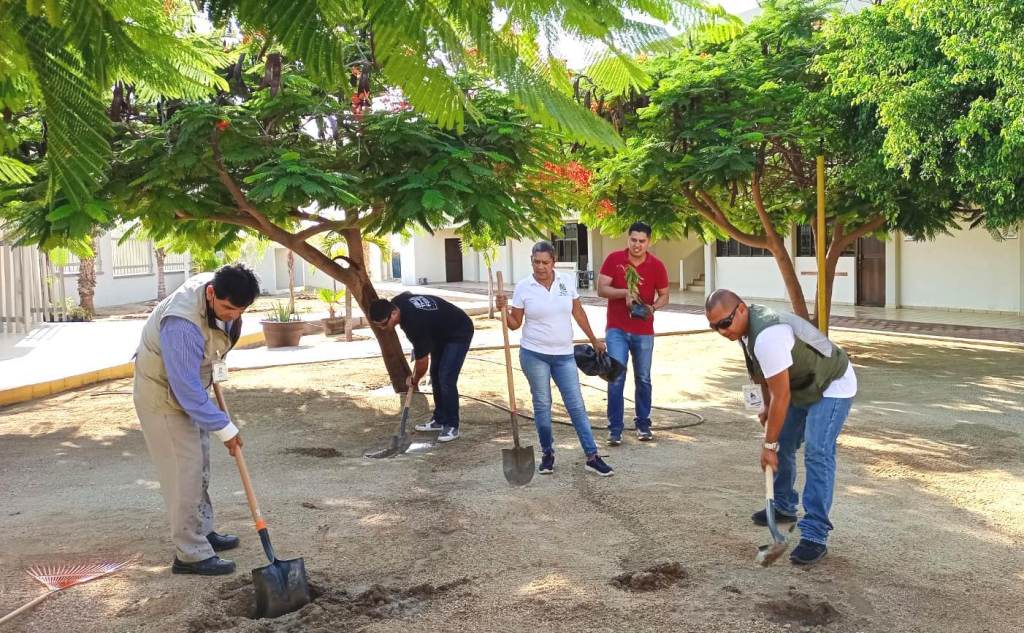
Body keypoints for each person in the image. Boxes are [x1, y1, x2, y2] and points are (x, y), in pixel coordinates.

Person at [705, 289, 857, 566]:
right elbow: (764, 375)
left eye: (724, 323)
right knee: (785, 442)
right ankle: (784, 507)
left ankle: (815, 534)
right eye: (714, 327)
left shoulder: (767, 337)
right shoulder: (746, 329)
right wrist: (766, 408)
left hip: (832, 383)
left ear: (740, 310)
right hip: (801, 385)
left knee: (817, 451)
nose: (721, 331)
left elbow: (782, 396)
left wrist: (768, 445)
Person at [133, 263, 261, 576]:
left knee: (199, 465)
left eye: (239, 310)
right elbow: (184, 390)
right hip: (163, 395)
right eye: (228, 308)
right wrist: (226, 429)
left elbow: (210, 353)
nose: (232, 315)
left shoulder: (223, 293)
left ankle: (202, 530)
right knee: (183, 473)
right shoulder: (183, 323)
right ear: (211, 293)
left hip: (193, 386)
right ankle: (189, 553)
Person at [495, 241, 615, 477]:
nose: (540, 267)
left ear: (554, 262)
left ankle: (592, 456)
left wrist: (593, 338)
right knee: (542, 405)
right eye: (536, 262)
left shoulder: (565, 281)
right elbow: (515, 324)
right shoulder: (523, 287)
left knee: (576, 405)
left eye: (545, 262)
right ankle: (547, 454)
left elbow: (578, 312)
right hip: (534, 354)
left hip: (564, 355)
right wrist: (503, 310)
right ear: (531, 261)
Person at [596, 221, 669, 444]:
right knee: (616, 376)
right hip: (617, 328)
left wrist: (652, 307)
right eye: (634, 240)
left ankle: (643, 424)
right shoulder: (614, 259)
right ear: (628, 239)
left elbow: (665, 295)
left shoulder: (657, 265)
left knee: (643, 378)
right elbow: (601, 289)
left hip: (643, 329)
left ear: (649, 242)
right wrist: (624, 292)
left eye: (642, 241)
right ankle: (615, 429)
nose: (637, 245)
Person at [369, 292, 474, 443]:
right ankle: (439, 419)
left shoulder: (413, 323)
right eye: (379, 326)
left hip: (458, 331)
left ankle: (452, 425)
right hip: (438, 333)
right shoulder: (397, 302)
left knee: (446, 377)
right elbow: (408, 294)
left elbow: (422, 362)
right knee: (435, 374)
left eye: (385, 323)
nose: (384, 328)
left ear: (394, 312)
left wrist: (414, 379)